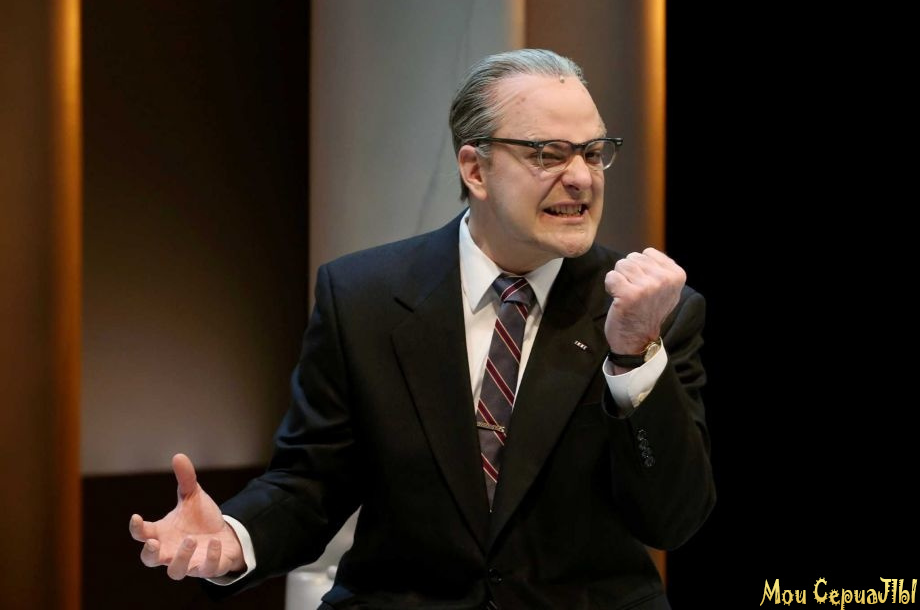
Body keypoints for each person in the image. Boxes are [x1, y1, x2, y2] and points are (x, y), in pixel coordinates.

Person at [129, 48, 715, 609]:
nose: (581, 177)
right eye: (548, 154)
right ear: (475, 169)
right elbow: (311, 483)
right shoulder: (363, 298)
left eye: (593, 152)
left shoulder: (649, 310)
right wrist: (235, 536)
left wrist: (633, 357)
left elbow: (672, 520)